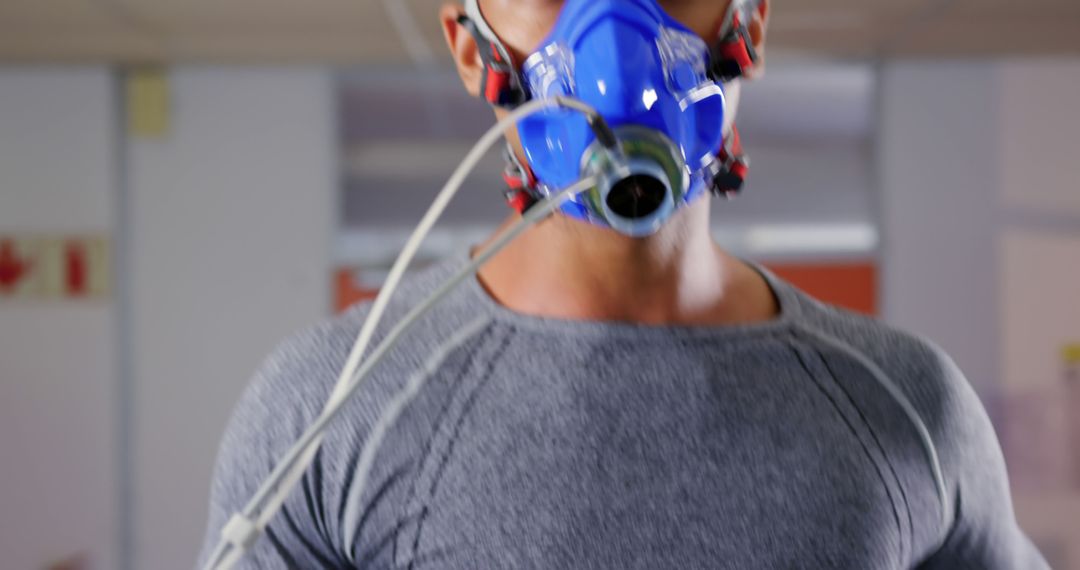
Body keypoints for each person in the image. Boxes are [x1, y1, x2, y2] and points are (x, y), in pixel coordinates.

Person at [198, 0, 1049, 568]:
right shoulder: (326, 413)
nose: (614, 36)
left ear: (752, 19)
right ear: (470, 45)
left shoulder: (909, 410)